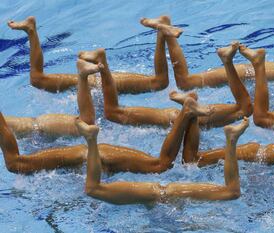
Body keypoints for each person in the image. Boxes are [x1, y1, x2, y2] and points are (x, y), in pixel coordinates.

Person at [0, 96, 212, 174]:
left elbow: (13, 162)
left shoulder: (23, 163)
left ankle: (187, 112)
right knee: (163, 164)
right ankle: (188, 112)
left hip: (100, 157)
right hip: (96, 155)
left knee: (161, 165)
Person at [140, 3, 274, 90]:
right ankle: (164, 28)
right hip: (249, 73)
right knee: (185, 83)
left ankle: (164, 27)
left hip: (253, 72)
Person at [78, 41, 252, 128]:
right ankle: (102, 62)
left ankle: (164, 35)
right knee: (113, 113)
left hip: (177, 118)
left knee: (114, 113)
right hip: (177, 118)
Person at [77, 117, 248, 204]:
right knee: (93, 189)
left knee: (93, 189)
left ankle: (91, 139)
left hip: (162, 195)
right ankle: (91, 140)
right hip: (164, 195)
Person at [7, 16, 182, 93]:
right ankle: (31, 30)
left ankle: (160, 30)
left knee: (159, 82)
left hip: (97, 83)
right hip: (96, 83)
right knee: (37, 79)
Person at [4, 59, 101, 137]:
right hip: (39, 130)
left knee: (86, 125)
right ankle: (83, 75)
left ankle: (83, 76)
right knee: (87, 125)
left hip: (40, 129)